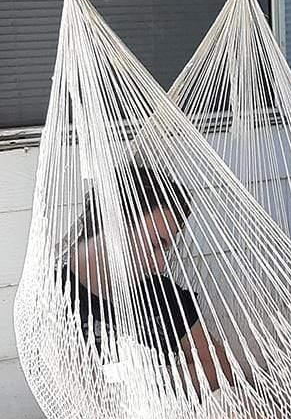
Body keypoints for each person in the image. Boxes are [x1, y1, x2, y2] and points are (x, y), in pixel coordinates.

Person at [63, 164, 232, 401]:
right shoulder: (56, 297)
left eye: (166, 249)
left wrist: (155, 382)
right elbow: (80, 395)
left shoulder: (163, 295)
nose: (161, 264)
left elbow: (220, 368)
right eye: (156, 245)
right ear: (116, 225)